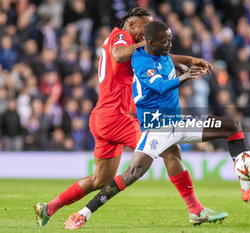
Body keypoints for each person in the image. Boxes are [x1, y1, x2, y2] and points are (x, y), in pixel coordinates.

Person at [65, 21, 250, 229]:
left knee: (233, 126)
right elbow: (159, 86)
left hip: (179, 123)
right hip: (157, 129)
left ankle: (249, 187)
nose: (169, 45)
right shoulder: (140, 61)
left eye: (170, 40)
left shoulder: (162, 54)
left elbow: (170, 60)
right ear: (149, 42)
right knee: (131, 175)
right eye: (165, 41)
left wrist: (192, 61)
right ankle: (83, 213)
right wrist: (185, 76)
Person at [34, 8, 216, 227]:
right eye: (145, 27)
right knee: (170, 150)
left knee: (99, 180)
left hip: (103, 117)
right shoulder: (121, 37)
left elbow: (158, 53)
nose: (147, 32)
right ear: (131, 25)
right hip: (115, 117)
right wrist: (144, 43)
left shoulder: (132, 45)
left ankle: (49, 207)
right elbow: (118, 54)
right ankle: (196, 210)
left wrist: (190, 59)